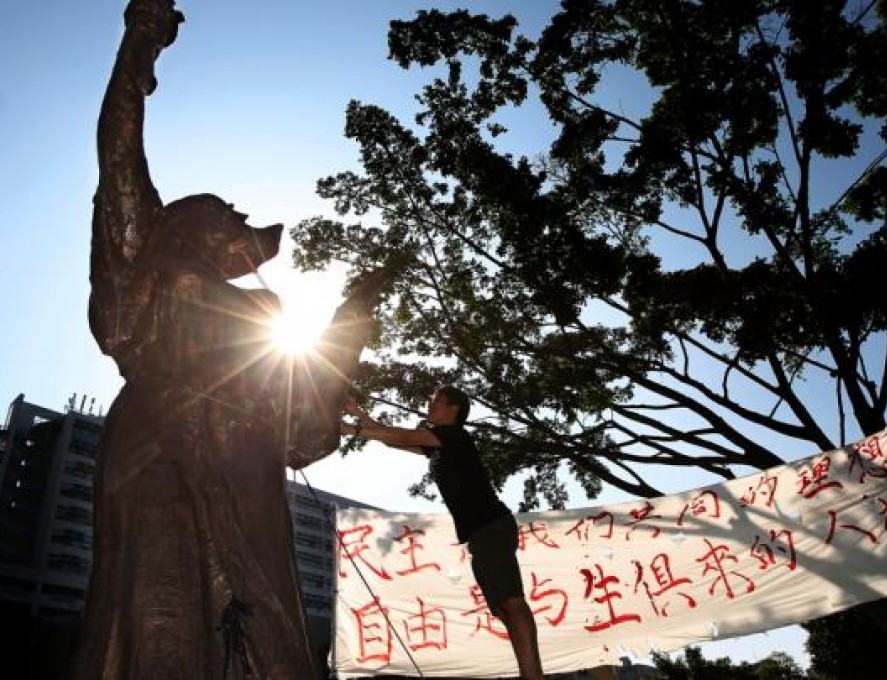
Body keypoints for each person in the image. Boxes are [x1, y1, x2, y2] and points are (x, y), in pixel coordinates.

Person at [73, 1, 388, 677]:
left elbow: (304, 429)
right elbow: (118, 150)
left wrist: (349, 322)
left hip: (250, 464)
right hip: (160, 441)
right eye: (233, 224)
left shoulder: (264, 318)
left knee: (264, 619)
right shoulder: (148, 252)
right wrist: (140, 48)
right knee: (160, 603)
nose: (242, 239)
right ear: (197, 222)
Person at [341, 386, 545, 679]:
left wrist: (352, 429)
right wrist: (359, 416)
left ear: (453, 409)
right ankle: (530, 671)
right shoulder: (438, 442)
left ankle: (533, 675)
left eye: (436, 400)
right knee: (502, 607)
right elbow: (394, 440)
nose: (430, 403)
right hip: (482, 533)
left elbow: (400, 436)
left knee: (511, 603)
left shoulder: (453, 436)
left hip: (490, 527)